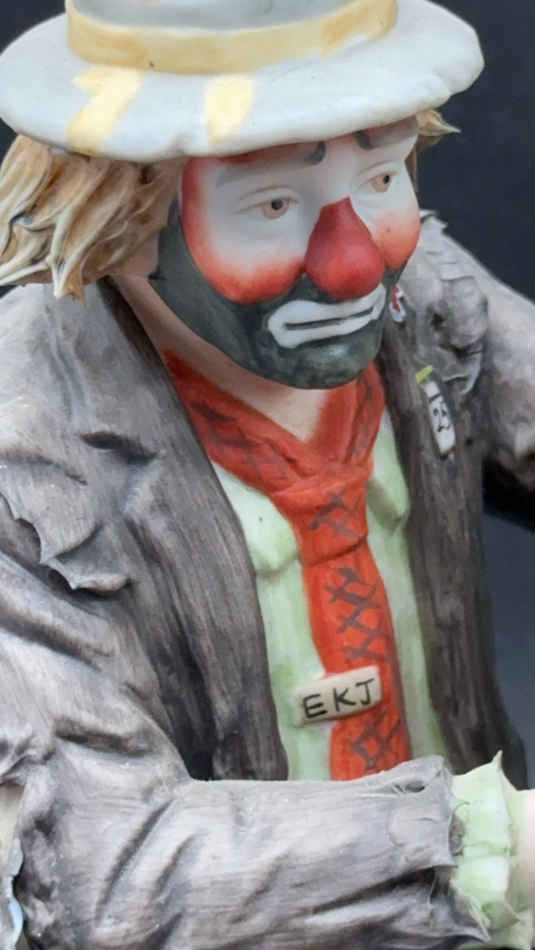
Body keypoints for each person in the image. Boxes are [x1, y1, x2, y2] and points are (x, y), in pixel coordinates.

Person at [0, 1, 535, 948]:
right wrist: (496, 847)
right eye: (274, 206)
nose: (355, 261)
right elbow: (103, 866)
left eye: (379, 176)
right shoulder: (27, 460)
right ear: (122, 213)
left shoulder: (422, 300)